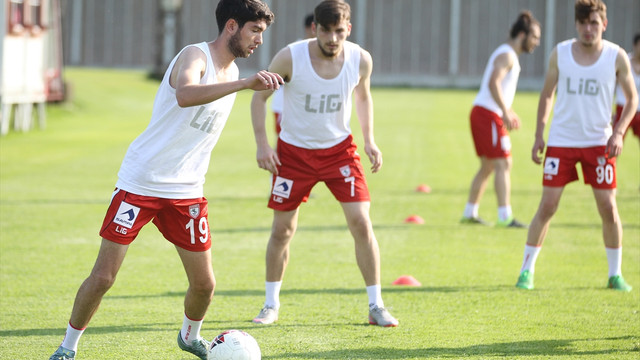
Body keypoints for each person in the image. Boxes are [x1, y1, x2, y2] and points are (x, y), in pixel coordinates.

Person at [49, 1, 282, 359]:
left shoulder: (233, 70)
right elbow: (185, 95)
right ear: (232, 26)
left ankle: (189, 337)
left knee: (205, 285)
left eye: (262, 33)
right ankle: (67, 347)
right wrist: (244, 83)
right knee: (104, 278)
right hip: (140, 182)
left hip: (186, 190)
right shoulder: (195, 56)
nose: (259, 41)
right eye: (255, 30)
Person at [249, 0, 398, 327]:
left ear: (348, 29)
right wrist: (263, 144)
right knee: (282, 229)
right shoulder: (290, 57)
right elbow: (258, 98)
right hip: (293, 154)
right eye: (327, 31)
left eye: (339, 31)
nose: (333, 38)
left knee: (361, 222)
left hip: (339, 153)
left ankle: (376, 305)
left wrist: (370, 139)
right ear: (314, 28)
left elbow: (363, 96)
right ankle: (270, 305)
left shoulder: (360, 59)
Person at [515, 0, 638, 291]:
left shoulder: (616, 56)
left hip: (599, 143)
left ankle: (615, 274)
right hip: (562, 141)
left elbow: (632, 99)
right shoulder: (560, 53)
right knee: (548, 205)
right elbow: (547, 95)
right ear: (576, 25)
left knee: (608, 207)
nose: (588, 29)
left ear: (603, 25)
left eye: (594, 23)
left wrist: (619, 132)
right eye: (583, 23)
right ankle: (526, 271)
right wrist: (539, 135)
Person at [460, 11, 541, 228]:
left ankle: (469, 213)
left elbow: (497, 88)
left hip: (485, 112)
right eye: (535, 37)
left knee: (488, 166)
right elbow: (493, 83)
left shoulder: (507, 54)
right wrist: (505, 111)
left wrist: (508, 111)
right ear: (523, 35)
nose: (537, 42)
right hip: (487, 115)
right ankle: (505, 216)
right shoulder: (507, 55)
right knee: (504, 162)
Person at [271, 13, 315, 135]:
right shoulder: (293, 52)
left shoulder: (319, 53)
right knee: (282, 142)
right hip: (284, 108)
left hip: (306, 108)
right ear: (309, 28)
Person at [613, 33, 640, 143]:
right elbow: (612, 85)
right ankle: (609, 161)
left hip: (639, 111)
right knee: (614, 142)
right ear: (635, 45)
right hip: (623, 108)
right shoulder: (624, 61)